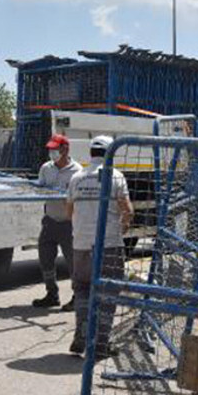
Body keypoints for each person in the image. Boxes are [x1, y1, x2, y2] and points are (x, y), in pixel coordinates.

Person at [66, 135, 133, 357]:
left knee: (83, 289)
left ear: (91, 153)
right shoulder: (115, 176)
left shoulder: (77, 177)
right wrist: (122, 228)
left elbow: (70, 212)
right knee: (108, 293)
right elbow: (127, 210)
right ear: (110, 152)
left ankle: (82, 333)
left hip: (81, 245)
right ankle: (101, 344)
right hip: (109, 245)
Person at [32, 134, 83, 310]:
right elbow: (40, 188)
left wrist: (66, 199)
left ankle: (78, 296)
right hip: (50, 221)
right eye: (50, 149)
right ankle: (51, 294)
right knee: (45, 259)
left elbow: (80, 199)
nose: (52, 152)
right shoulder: (46, 168)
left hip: (68, 223)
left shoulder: (77, 171)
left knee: (73, 263)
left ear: (65, 149)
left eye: (55, 149)